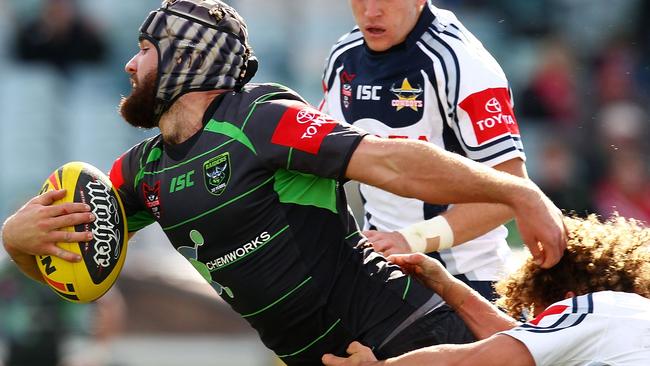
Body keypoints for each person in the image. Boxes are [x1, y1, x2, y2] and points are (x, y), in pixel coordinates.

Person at [0, 1, 565, 364]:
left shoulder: (260, 117)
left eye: (146, 51)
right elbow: (73, 273)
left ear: (187, 61)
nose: (129, 65)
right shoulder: (139, 173)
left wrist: (516, 191)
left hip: (410, 335)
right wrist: (17, 243)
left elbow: (388, 160)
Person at [321, 0, 528, 300]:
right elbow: (327, 159)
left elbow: (512, 191)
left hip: (469, 282)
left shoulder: (461, 61)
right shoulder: (344, 55)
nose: (371, 11)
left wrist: (411, 240)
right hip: (386, 274)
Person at [322, 214, 650, 365]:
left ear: (566, 298)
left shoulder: (598, 308)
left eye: (541, 317)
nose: (537, 327)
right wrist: (446, 286)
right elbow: (521, 341)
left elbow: (481, 359)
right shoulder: (628, 321)